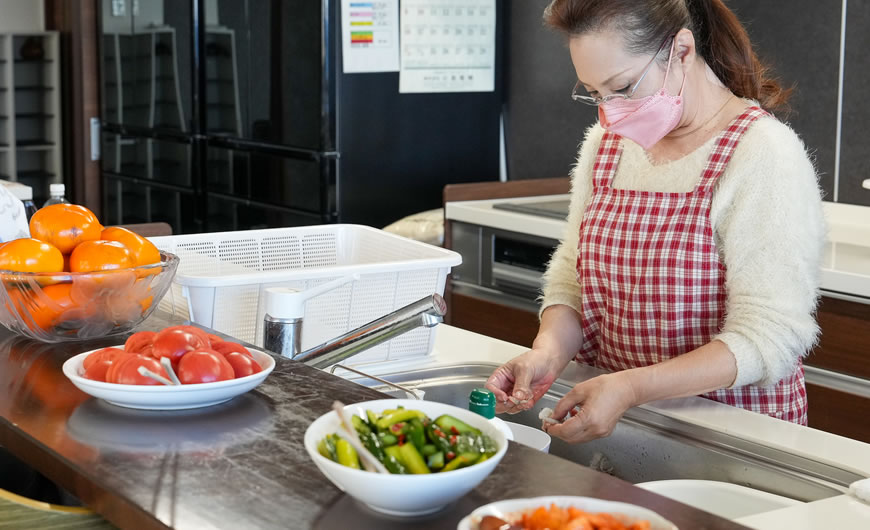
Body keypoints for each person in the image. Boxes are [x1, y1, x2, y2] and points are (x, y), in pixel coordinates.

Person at [485, 0, 825, 444]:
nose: (608, 113)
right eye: (593, 94)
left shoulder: (763, 154)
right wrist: (547, 353)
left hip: (729, 440)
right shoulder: (606, 146)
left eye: (623, 86)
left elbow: (770, 338)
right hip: (624, 424)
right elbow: (574, 273)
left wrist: (631, 387)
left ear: (682, 51)